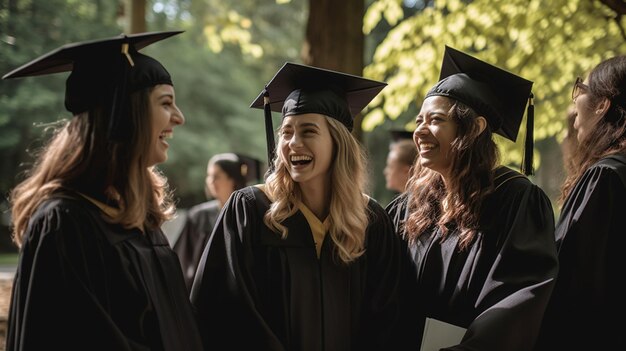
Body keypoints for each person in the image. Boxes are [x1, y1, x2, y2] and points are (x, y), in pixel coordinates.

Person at [3, 31, 203, 350]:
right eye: (166, 103)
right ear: (123, 113)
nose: (179, 118)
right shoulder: (65, 224)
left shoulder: (141, 221)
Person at [190, 62, 403, 351]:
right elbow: (223, 311)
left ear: (338, 142)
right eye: (286, 132)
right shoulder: (251, 210)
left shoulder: (371, 220)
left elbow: (388, 322)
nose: (293, 143)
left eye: (308, 131)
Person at [386, 46, 558, 350]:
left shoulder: (515, 200)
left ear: (475, 128)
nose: (421, 132)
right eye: (418, 121)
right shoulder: (410, 207)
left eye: (436, 120)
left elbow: (516, 299)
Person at [534, 56, 626, 350]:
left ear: (603, 105)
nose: (575, 109)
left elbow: (571, 280)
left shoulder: (605, 177)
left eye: (581, 89)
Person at [173, 152, 261, 290]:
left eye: (216, 177)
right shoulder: (198, 216)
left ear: (232, 179)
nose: (210, 181)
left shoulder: (250, 214)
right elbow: (182, 260)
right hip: (205, 291)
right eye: (209, 176)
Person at [383, 130, 417, 194]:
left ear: (407, 171)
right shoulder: (406, 200)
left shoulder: (420, 201)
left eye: (390, 167)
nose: (385, 172)